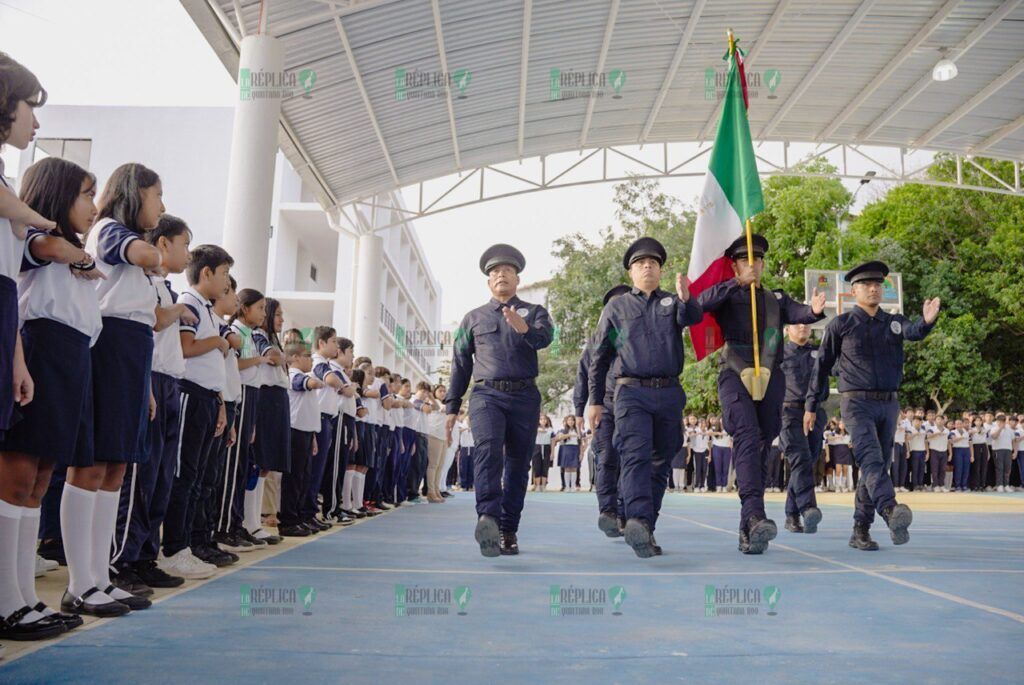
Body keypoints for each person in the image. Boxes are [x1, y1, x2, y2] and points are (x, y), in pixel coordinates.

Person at [0, 155, 101, 639]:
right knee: (16, 477)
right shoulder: (36, 240)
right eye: (85, 194)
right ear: (60, 196)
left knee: (39, 482)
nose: (94, 205)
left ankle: (23, 597)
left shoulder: (73, 252)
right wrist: (78, 255)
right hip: (42, 350)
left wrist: (81, 256)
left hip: (71, 357)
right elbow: (47, 247)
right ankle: (5, 601)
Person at [697, 234, 826, 554]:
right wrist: (735, 284)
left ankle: (748, 527)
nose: (752, 265)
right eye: (744, 261)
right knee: (746, 434)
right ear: (735, 265)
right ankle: (756, 514)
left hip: (771, 376)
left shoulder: (775, 299)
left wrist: (813, 309)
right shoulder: (727, 295)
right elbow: (699, 305)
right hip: (734, 373)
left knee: (762, 442)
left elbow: (801, 313)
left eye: (756, 260)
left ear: (764, 264)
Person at [805, 260, 940, 550]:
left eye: (878, 284)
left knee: (877, 468)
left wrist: (927, 321)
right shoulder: (841, 324)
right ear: (854, 291)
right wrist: (811, 405)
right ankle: (891, 510)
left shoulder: (892, 322)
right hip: (856, 403)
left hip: (889, 404)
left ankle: (860, 529)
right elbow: (822, 366)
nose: (874, 288)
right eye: (867, 284)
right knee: (871, 459)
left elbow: (913, 331)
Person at [587, 237, 702, 558]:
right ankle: (637, 518)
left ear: (661, 270)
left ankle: (645, 527)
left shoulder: (672, 303)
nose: (647, 266)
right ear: (631, 272)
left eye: (653, 263)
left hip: (669, 392)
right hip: (630, 393)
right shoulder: (617, 307)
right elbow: (600, 356)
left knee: (661, 459)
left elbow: (693, 318)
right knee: (635, 456)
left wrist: (687, 297)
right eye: (640, 264)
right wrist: (595, 400)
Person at [444, 244, 553, 557]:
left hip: (524, 396)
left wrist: (526, 330)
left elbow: (546, 338)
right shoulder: (472, 318)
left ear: (517, 279)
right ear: (488, 282)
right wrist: (452, 407)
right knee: (488, 450)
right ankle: (488, 518)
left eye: (507, 271)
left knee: (519, 465)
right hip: (486, 395)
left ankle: (508, 530)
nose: (501, 275)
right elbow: (461, 362)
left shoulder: (535, 312)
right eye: (495, 272)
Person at [161, 244, 234, 572]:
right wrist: (217, 342)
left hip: (207, 399)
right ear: (206, 273)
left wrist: (219, 404)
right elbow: (186, 347)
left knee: (198, 476)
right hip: (190, 394)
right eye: (224, 274)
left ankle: (188, 544)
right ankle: (174, 547)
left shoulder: (205, 308)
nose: (226, 282)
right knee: (184, 474)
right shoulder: (189, 301)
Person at [779, 322, 827, 533]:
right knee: (799, 458)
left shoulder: (820, 352)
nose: (803, 327)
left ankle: (791, 515)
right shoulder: (776, 354)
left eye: (807, 324)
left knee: (807, 462)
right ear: (787, 329)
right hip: (789, 412)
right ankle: (808, 508)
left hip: (815, 412)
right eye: (797, 324)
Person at [279, 344, 324, 536]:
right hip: (295, 431)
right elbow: (309, 384)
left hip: (306, 431)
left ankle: (299, 516)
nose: (311, 360)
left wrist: (313, 436)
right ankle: (289, 520)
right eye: (308, 356)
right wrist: (319, 380)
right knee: (294, 478)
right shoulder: (293, 374)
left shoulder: (303, 374)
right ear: (296, 358)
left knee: (304, 477)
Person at [552, 417, 582, 492]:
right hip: (566, 448)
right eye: (569, 420)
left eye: (572, 420)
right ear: (566, 421)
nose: (571, 422)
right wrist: (570, 435)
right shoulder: (563, 429)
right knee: (567, 468)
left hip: (575, 448)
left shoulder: (577, 430)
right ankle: (567, 486)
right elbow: (559, 437)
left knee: (574, 468)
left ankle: (573, 486)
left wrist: (581, 453)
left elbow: (580, 442)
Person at [925, 415, 950, 492]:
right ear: (935, 421)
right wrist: (937, 434)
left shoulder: (947, 430)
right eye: (938, 419)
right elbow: (928, 437)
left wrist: (950, 453)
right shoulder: (931, 429)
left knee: (942, 469)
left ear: (943, 421)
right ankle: (935, 485)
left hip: (944, 451)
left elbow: (949, 442)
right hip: (934, 451)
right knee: (934, 470)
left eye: (941, 420)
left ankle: (942, 485)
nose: (940, 421)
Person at [990, 414, 1014, 492]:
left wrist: (1014, 451)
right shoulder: (994, 428)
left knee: (1007, 468)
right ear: (997, 421)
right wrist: (1000, 429)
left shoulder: (1009, 429)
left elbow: (1013, 440)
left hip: (1008, 450)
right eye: (999, 421)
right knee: (999, 468)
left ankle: (1006, 485)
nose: (1001, 423)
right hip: (998, 450)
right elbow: (994, 437)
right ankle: (999, 485)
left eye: (1003, 421)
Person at [531, 415, 554, 492]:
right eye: (541, 419)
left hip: (547, 448)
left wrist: (552, 452)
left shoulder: (550, 430)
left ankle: (543, 485)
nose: (543, 421)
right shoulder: (534, 428)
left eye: (545, 419)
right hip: (537, 447)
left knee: (545, 467)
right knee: (537, 467)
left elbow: (552, 441)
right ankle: (537, 485)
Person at [949, 419, 972, 493]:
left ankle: (964, 485)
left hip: (966, 450)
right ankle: (957, 486)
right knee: (958, 468)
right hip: (957, 450)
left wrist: (972, 455)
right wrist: (962, 437)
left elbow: (970, 444)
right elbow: (953, 440)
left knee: (966, 468)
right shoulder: (952, 432)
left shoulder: (967, 432)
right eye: (957, 424)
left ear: (962, 424)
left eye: (960, 424)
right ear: (955, 425)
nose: (959, 425)